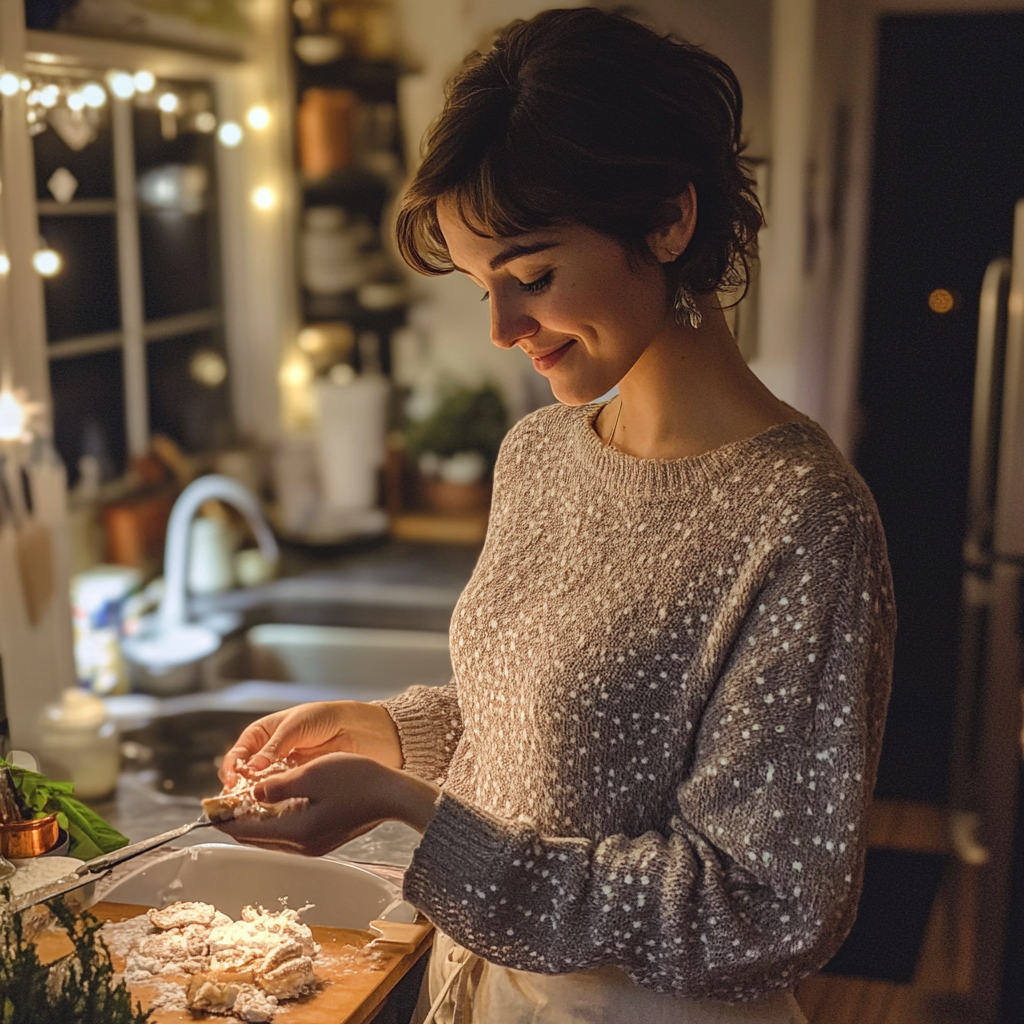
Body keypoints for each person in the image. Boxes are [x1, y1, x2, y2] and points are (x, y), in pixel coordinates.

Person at [216, 9, 895, 1022]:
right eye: (483, 285)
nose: (500, 329)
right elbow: (588, 737)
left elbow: (759, 909)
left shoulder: (802, 519)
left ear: (668, 220)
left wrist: (416, 814)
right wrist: (392, 733)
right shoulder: (539, 453)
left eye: (531, 276)